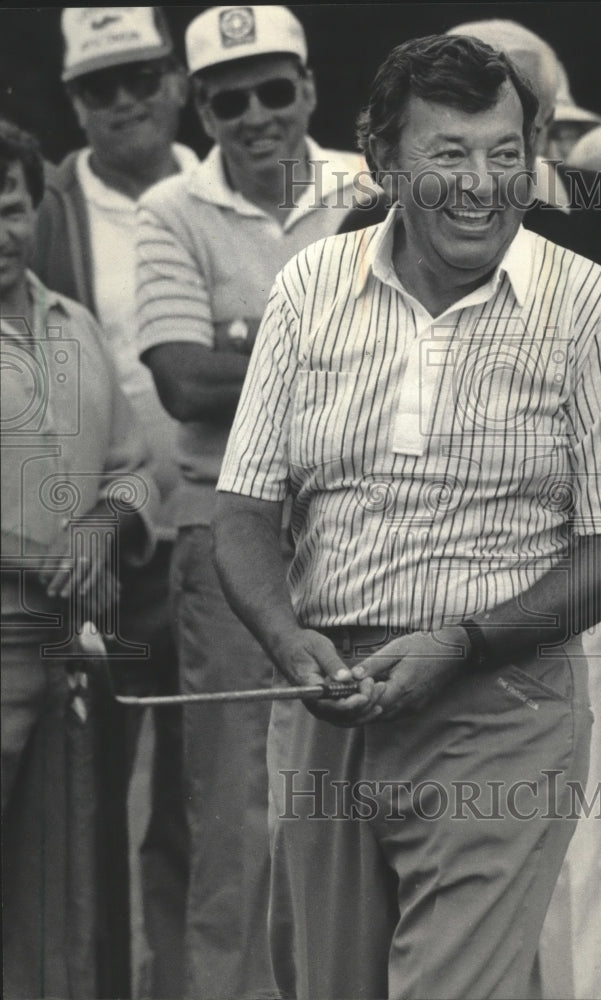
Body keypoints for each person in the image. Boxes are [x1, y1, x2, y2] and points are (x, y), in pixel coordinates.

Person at [212, 34, 601, 1000]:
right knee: (327, 984)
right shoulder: (308, 289)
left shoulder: (586, 304)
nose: (482, 184)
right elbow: (245, 511)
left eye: (504, 153)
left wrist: (460, 643)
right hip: (329, 702)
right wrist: (287, 637)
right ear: (381, 159)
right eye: (449, 154)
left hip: (502, 705)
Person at [336, 19, 601, 998]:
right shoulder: (363, 234)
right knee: (445, 860)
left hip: (587, 582)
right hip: (424, 590)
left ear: (543, 123)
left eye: (508, 117)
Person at [135, 7, 367, 998]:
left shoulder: (369, 185)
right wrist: (327, 341)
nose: (257, 114)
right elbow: (181, 384)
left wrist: (246, 337)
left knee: (358, 793)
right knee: (231, 809)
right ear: (201, 104)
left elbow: (418, 349)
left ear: (310, 88)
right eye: (231, 97)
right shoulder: (168, 207)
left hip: (363, 525)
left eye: (276, 89)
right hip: (224, 529)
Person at [32, 9, 196, 995]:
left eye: (139, 73)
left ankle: (182, 977)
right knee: (83, 804)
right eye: (100, 86)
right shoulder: (38, 208)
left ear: (175, 78)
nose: (125, 98)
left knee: (205, 794)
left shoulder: (224, 190)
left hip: (226, 541)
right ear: (75, 103)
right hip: (93, 555)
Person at [1, 117, 158, 999]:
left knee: (60, 894)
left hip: (71, 654)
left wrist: (101, 526)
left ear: (34, 211)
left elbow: (137, 472)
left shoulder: (77, 327)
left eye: (9, 208)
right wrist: (36, 554)